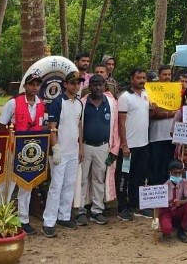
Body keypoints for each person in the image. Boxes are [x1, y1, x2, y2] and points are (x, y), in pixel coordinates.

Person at [0, 71, 45, 236]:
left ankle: (23, 220)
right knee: (8, 186)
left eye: (37, 84)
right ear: (25, 85)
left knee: (27, 186)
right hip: (13, 150)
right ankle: (0, 217)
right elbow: (1, 126)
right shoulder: (13, 103)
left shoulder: (41, 104)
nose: (34, 87)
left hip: (31, 153)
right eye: (31, 84)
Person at [74, 74, 119, 226]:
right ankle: (80, 210)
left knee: (99, 179)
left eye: (100, 84)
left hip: (103, 147)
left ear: (104, 85)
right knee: (82, 178)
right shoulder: (82, 103)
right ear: (89, 86)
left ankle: (96, 211)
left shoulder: (112, 103)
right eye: (94, 85)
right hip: (85, 146)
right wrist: (78, 147)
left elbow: (116, 127)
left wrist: (114, 149)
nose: (97, 88)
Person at [42, 71, 83, 238]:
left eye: (78, 83)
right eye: (72, 83)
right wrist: (55, 148)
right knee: (56, 186)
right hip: (60, 152)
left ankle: (64, 216)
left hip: (73, 150)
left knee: (69, 184)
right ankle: (49, 221)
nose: (75, 86)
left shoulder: (79, 103)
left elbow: (79, 126)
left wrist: (81, 147)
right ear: (65, 84)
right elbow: (52, 127)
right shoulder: (58, 102)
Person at [116, 68, 151, 221]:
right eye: (138, 78)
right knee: (124, 176)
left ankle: (136, 204)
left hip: (143, 144)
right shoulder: (124, 97)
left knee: (139, 176)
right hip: (129, 146)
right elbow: (121, 123)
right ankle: (122, 206)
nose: (142, 80)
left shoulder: (146, 95)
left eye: (144, 77)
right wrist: (124, 145)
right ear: (132, 79)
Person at [149, 65, 177, 186]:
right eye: (164, 74)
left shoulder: (175, 90)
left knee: (169, 168)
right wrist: (169, 114)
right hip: (156, 136)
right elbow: (152, 114)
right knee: (156, 168)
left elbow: (179, 112)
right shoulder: (152, 91)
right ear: (159, 75)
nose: (167, 77)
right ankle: (155, 200)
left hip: (172, 137)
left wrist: (166, 112)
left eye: (169, 74)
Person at [158, 160, 187, 243]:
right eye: (175, 173)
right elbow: (160, 205)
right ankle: (167, 226)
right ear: (169, 172)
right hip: (168, 211)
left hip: (179, 210)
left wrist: (181, 202)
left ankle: (182, 229)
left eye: (180, 173)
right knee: (167, 230)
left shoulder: (184, 182)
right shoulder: (165, 186)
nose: (178, 175)